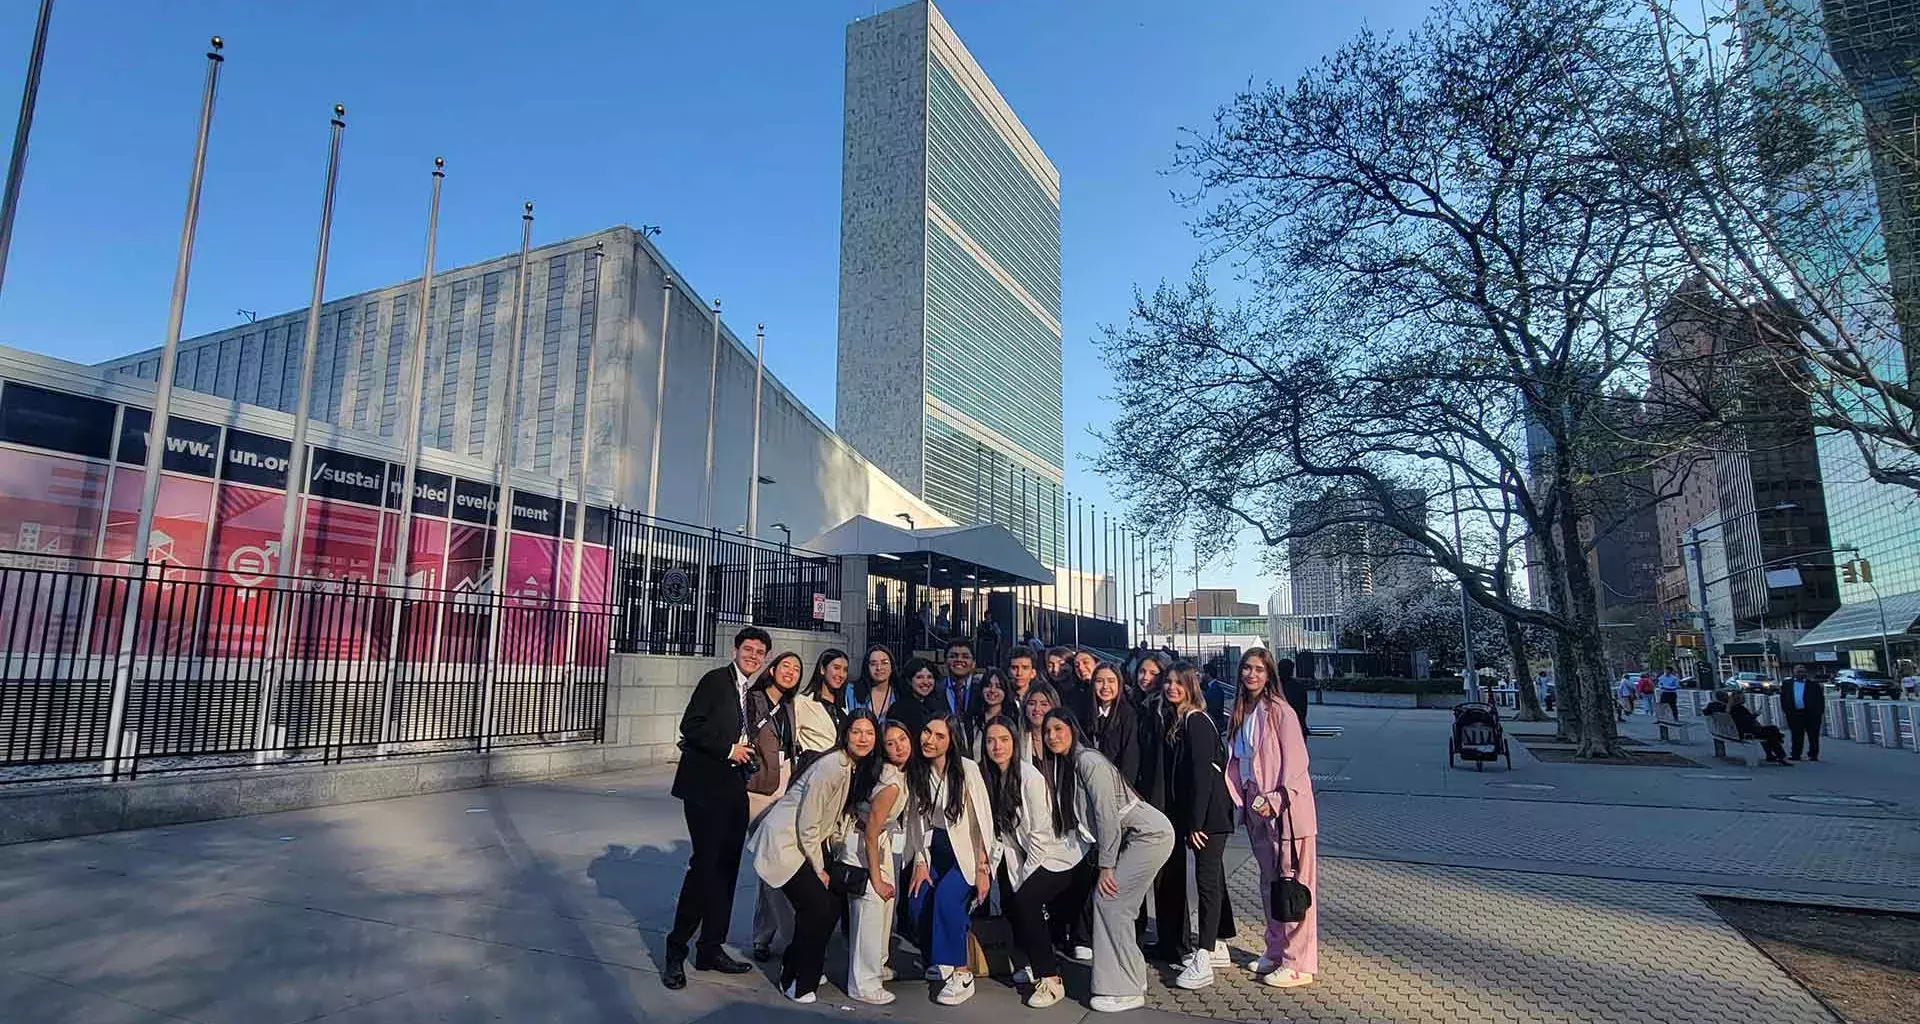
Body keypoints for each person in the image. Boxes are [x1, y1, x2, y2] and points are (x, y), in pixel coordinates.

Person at [1040, 709, 1175, 1013]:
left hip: (1147, 835)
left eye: (1059, 729)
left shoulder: (1088, 760)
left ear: (1073, 729)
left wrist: (1106, 866)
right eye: (1047, 732)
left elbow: (1107, 817)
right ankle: (1132, 976)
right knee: (1120, 906)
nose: (1052, 737)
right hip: (1137, 837)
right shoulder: (1071, 765)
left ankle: (1123, 989)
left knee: (1109, 901)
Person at [664, 626, 771, 990]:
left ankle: (711, 947)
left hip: (733, 787)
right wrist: (729, 749)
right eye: (749, 649)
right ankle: (676, 949)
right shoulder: (715, 681)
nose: (753, 656)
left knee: (727, 869)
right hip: (704, 787)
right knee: (705, 867)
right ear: (735, 650)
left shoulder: (749, 693)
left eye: (760, 653)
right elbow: (690, 726)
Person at [749, 710, 878, 1004]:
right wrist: (820, 868)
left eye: (869, 733)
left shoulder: (850, 767)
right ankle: (797, 981)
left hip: (802, 843)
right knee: (817, 907)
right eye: (857, 731)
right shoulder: (832, 766)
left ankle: (801, 963)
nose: (863, 738)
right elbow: (808, 822)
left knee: (829, 906)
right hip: (785, 843)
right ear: (845, 733)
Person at [1225, 648, 1319, 990]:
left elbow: (1297, 763)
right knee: (1270, 882)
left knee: (1294, 884)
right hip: (1255, 806)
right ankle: (1277, 948)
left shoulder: (1280, 711)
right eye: (1246, 668)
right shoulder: (1241, 711)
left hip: (1287, 810)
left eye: (1259, 669)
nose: (1251, 674)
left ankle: (1299, 962)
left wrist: (1278, 798)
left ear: (1269, 675)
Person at [979, 715, 1086, 1009]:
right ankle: (1026, 962)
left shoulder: (1030, 778)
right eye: (990, 741)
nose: (997, 747)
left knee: (1025, 900)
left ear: (1015, 741)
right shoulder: (993, 779)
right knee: (1015, 898)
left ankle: (1051, 979)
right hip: (1029, 855)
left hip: (1060, 857)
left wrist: (1024, 881)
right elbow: (1006, 840)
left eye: (1003, 740)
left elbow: (1040, 838)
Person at [905, 711, 994, 1006]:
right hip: (933, 847)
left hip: (968, 849)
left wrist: (983, 867)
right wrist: (920, 861)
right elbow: (916, 822)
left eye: (939, 736)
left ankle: (961, 971)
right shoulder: (918, 769)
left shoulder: (967, 769)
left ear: (952, 741)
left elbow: (983, 822)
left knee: (946, 896)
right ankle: (938, 957)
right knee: (919, 897)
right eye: (927, 732)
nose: (929, 740)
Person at [1164, 662, 1236, 989]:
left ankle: (1204, 956)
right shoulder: (1182, 720)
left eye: (1179, 683)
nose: (1171, 688)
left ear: (1191, 686)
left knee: (1206, 882)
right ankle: (1217, 942)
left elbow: (1202, 776)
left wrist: (1195, 822)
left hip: (1209, 817)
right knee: (1212, 878)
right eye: (1168, 682)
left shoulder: (1196, 721)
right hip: (1205, 815)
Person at [844, 718, 915, 1006]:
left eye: (902, 739)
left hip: (879, 842)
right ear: (883, 749)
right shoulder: (891, 784)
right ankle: (862, 983)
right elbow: (871, 832)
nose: (899, 747)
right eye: (890, 743)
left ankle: (878, 965)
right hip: (863, 845)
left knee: (885, 908)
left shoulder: (899, 773)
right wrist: (876, 876)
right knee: (871, 908)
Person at [746, 651, 806, 963]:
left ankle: (766, 934)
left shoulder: (790, 706)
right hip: (758, 790)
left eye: (796, 669)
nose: (791, 672)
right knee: (768, 865)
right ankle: (771, 935)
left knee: (774, 863)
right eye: (785, 666)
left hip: (786, 787)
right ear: (771, 669)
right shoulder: (753, 701)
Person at [1081, 662, 1141, 785]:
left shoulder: (1128, 715)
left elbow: (1130, 760)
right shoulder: (1086, 713)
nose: (1105, 686)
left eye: (1111, 681)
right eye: (1099, 681)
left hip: (1117, 786)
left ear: (1119, 684)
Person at [794, 649, 851, 769]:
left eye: (845, 670)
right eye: (836, 667)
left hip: (841, 774)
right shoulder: (802, 702)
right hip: (813, 771)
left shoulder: (845, 707)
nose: (841, 674)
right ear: (822, 669)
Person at [965, 668, 1019, 764]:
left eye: (998, 686)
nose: (992, 690)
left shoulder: (1015, 718)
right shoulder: (971, 720)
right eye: (988, 686)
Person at [1722, 690, 1791, 764]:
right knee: (1772, 731)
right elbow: (1746, 721)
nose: (1744, 699)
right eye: (1743, 697)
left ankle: (1773, 751)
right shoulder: (1738, 709)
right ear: (1739, 699)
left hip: (1740, 732)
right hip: (1747, 733)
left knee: (1771, 731)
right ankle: (1781, 755)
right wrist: (1756, 714)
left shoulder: (1731, 708)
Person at [939, 639, 982, 746]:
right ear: (945, 661)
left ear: (973, 663)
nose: (959, 660)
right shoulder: (935, 690)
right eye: (953, 656)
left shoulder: (983, 690)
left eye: (965, 657)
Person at [1779, 664, 1826, 762]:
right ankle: (1796, 754)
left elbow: (1820, 700)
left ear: (1806, 673)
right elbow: (1783, 698)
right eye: (1798, 671)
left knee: (1813, 735)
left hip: (1811, 714)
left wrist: (1819, 712)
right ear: (1794, 672)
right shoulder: (1787, 684)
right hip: (1794, 713)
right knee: (1796, 735)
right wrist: (1786, 710)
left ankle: (1813, 755)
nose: (1801, 673)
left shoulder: (1814, 685)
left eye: (1803, 671)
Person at [891, 657, 941, 741]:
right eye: (919, 677)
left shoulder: (941, 706)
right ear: (909, 680)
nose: (925, 682)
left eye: (929, 677)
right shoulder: (898, 709)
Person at [848, 644, 899, 722]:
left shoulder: (900, 694)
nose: (879, 668)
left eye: (884, 663)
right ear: (867, 668)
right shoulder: (851, 691)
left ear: (892, 666)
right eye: (873, 664)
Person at [1023, 687, 1058, 765]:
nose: (1037, 709)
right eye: (1032, 703)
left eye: (1044, 704)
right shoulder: (1018, 741)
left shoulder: (1062, 740)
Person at [1276, 656, 1308, 736]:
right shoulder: (1299, 687)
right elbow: (1303, 710)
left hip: (1278, 727)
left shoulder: (1272, 687)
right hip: (1296, 726)